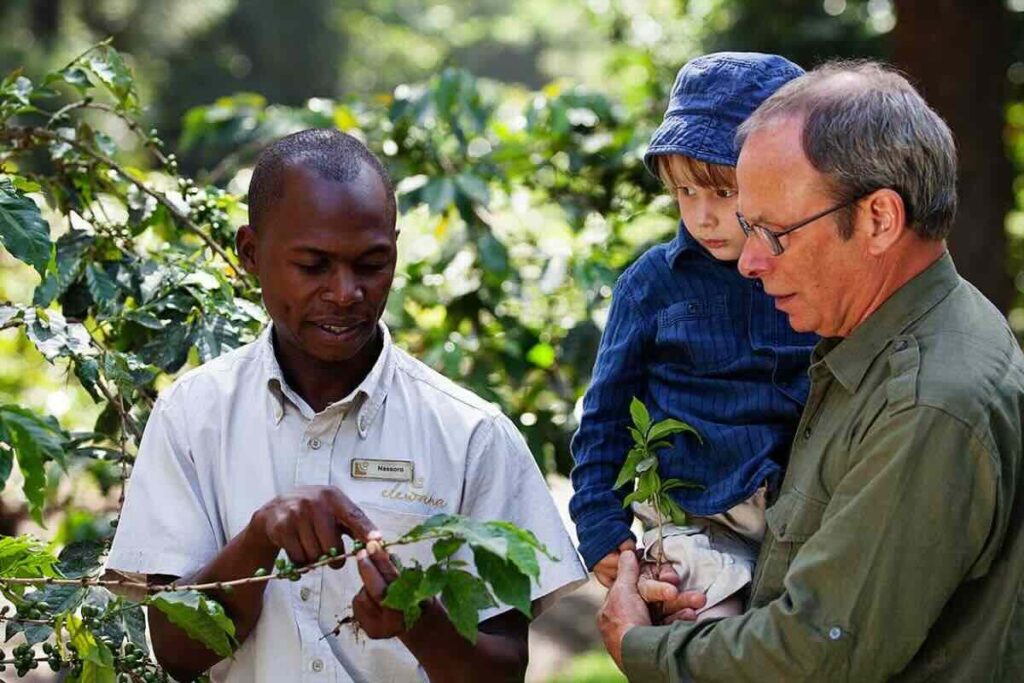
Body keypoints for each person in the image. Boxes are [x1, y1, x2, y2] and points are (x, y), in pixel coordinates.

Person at [106, 128, 586, 682]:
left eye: (371, 264)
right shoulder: (192, 418)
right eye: (313, 266)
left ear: (396, 251)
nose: (345, 292)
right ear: (251, 254)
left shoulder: (471, 434)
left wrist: (417, 619)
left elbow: (504, 671)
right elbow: (177, 654)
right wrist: (258, 540)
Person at [599, 60, 1024, 681]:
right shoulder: (877, 340)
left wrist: (638, 644)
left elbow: (816, 653)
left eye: (772, 232)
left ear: (879, 219)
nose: (747, 262)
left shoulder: (926, 403)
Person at [569, 52, 817, 620]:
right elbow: (604, 416)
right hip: (694, 521)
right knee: (703, 637)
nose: (701, 216)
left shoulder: (811, 274)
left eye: (723, 193)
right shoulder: (653, 284)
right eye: (684, 193)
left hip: (799, 517)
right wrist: (602, 528)